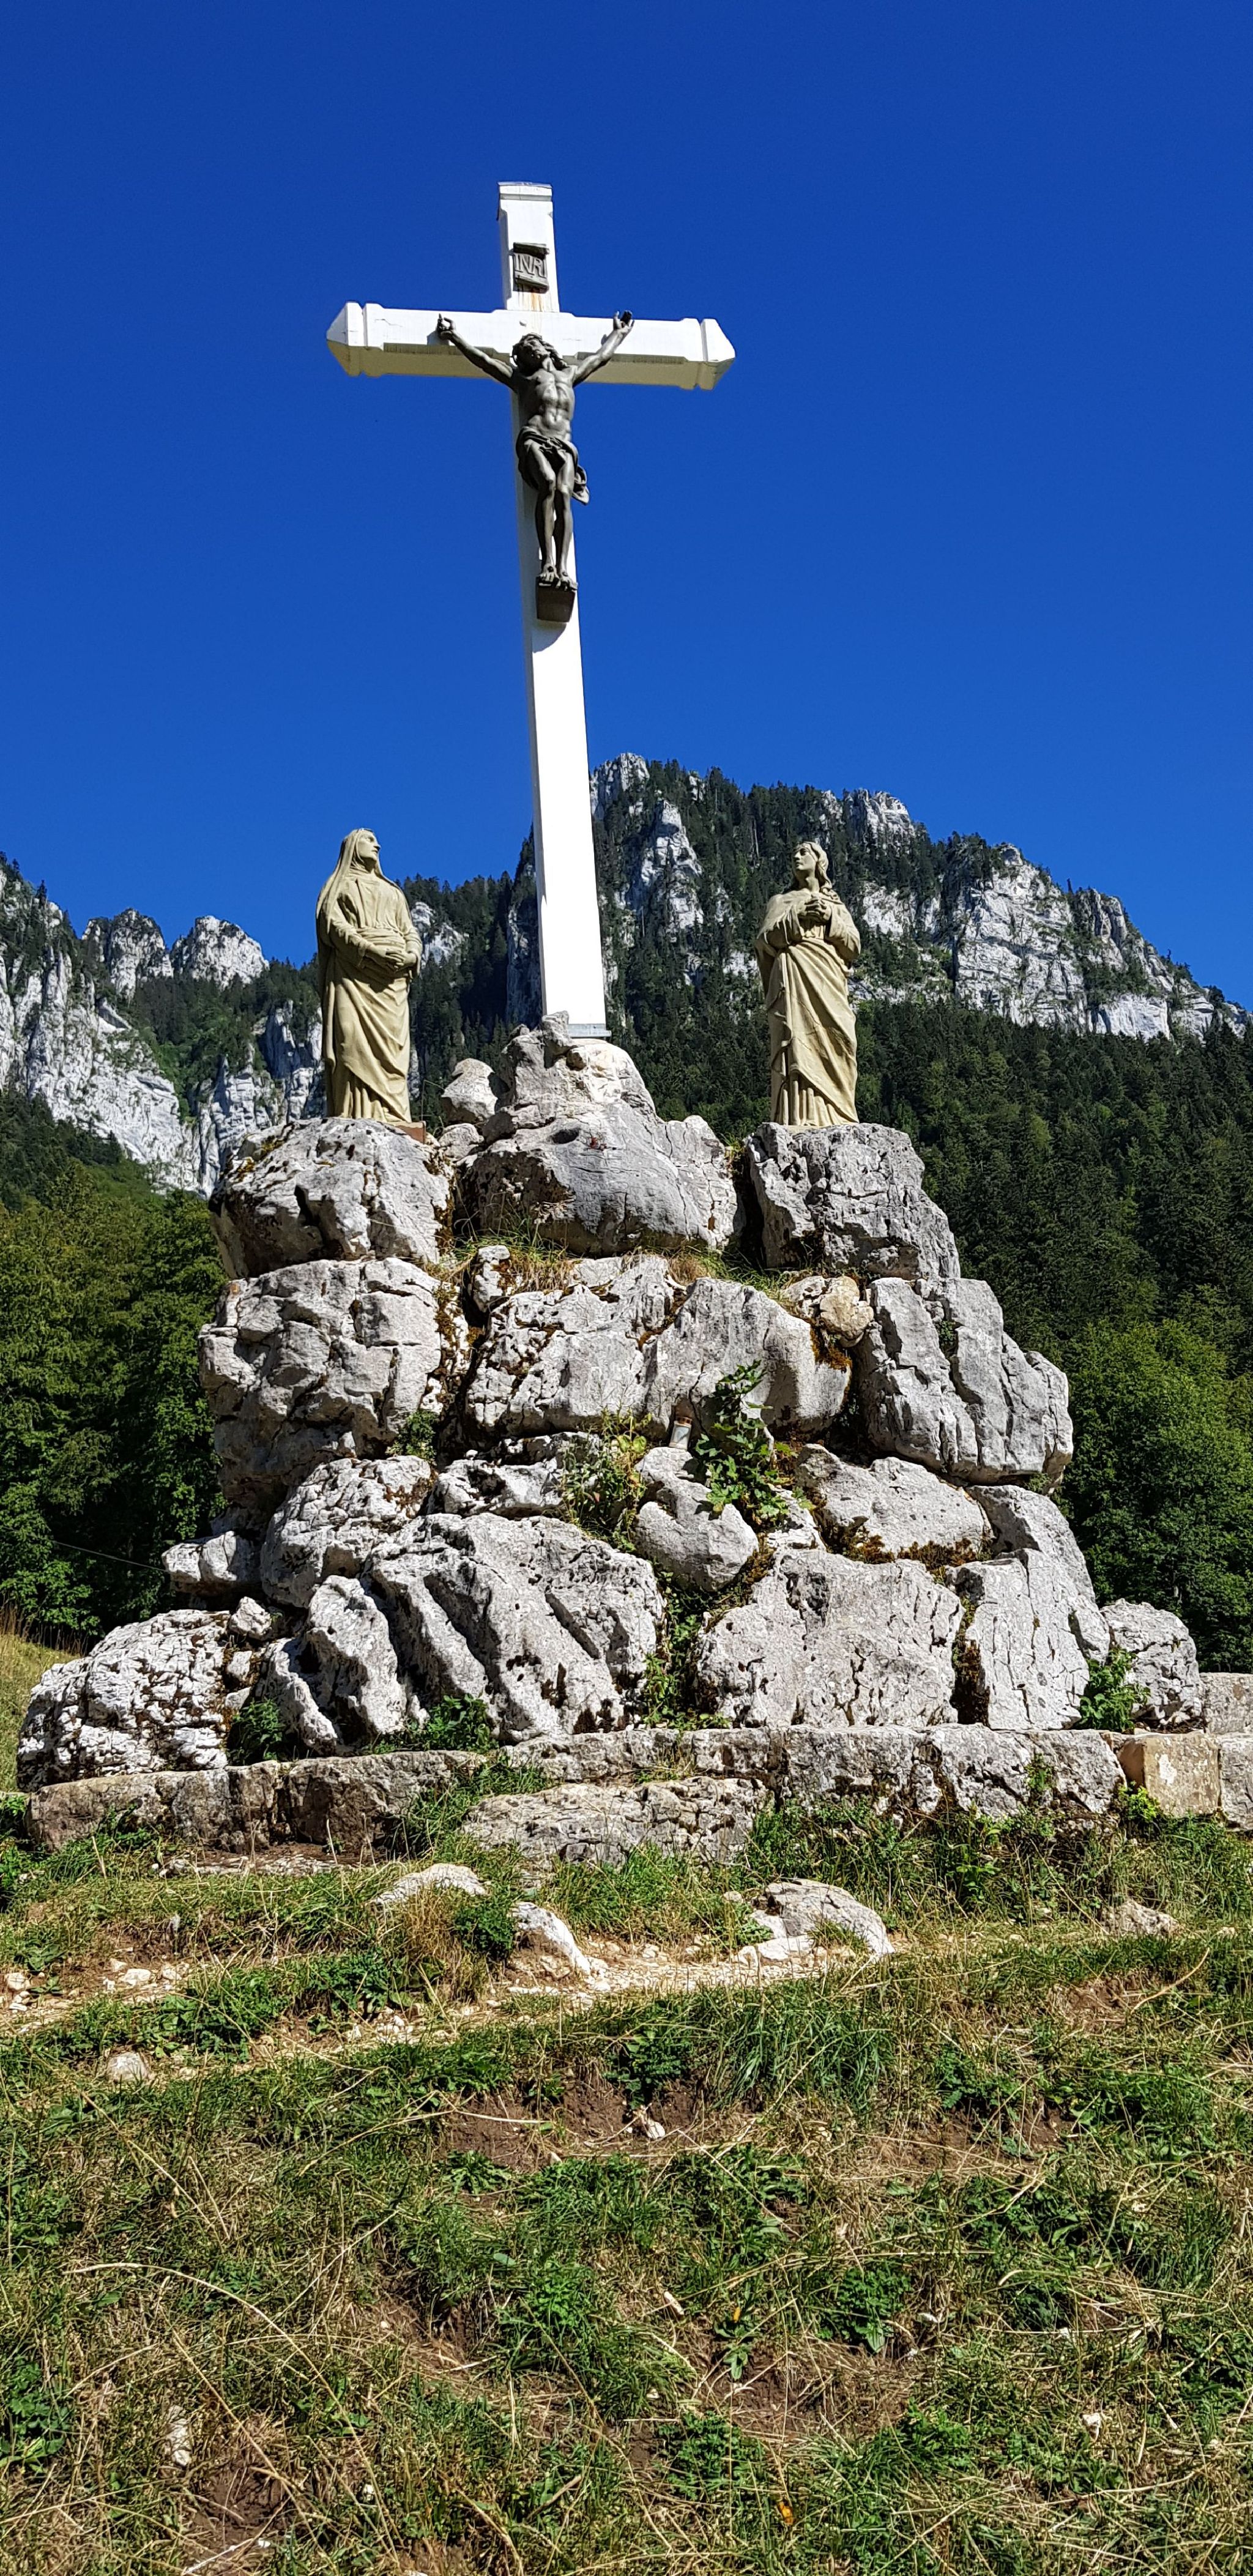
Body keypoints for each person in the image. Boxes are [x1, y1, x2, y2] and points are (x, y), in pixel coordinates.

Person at [435, 308, 634, 591]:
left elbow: (601, 358)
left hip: (564, 444)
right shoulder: (524, 381)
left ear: (546, 348)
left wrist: (619, 334)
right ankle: (547, 563)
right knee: (549, 484)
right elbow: (485, 361)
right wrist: (455, 336)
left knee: (564, 494)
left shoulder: (570, 374)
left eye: (533, 345)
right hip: (535, 438)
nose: (531, 351)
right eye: (526, 351)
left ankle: (562, 568)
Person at [316, 829, 421, 1123]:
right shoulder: (338, 888)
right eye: (369, 839)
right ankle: (352, 1117)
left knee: (392, 1058)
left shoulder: (393, 892)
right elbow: (333, 928)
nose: (378, 844)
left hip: (393, 982)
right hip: (352, 977)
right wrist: (370, 951)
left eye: (377, 841)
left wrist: (412, 955)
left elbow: (410, 931)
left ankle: (393, 1117)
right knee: (349, 1040)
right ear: (352, 846)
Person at [756, 841, 861, 1127]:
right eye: (794, 854)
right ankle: (796, 1116)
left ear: (819, 861)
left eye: (804, 852)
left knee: (838, 1040)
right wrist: (796, 919)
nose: (797, 857)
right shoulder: (781, 902)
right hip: (792, 977)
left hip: (828, 977)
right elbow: (764, 944)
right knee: (797, 1043)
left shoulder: (835, 905)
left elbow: (853, 946)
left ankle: (837, 1115)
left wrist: (829, 920)